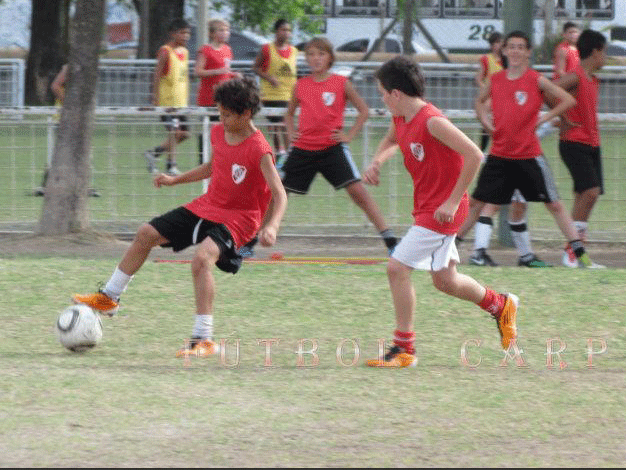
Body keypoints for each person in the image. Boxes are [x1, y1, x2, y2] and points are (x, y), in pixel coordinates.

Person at [73, 78, 288, 357]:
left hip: (241, 219)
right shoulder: (217, 133)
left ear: (246, 114)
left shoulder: (260, 149)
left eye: (226, 114)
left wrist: (271, 226)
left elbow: (279, 193)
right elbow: (212, 166)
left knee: (202, 259)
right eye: (219, 113)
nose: (220, 119)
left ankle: (203, 339)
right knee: (146, 233)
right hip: (208, 205)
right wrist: (175, 180)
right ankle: (109, 297)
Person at [361, 56, 518, 368]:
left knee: (396, 268)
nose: (380, 99)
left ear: (396, 94)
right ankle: (500, 305)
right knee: (445, 280)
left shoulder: (432, 121)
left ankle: (404, 349)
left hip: (443, 210)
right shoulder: (401, 118)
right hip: (428, 207)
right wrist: (378, 160)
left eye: (381, 93)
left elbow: (474, 154)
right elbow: (392, 139)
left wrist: (451, 200)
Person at [469, 30, 599, 268]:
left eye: (521, 47)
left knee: (550, 204)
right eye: (511, 46)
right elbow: (481, 102)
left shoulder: (535, 79)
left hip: (527, 155)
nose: (515, 51)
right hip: (500, 153)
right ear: (504, 50)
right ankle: (469, 252)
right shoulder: (496, 80)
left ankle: (576, 256)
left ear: (528, 52)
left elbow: (568, 101)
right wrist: (486, 123)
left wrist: (545, 118)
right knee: (483, 204)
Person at [281, 37, 397, 255]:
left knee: (358, 191)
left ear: (330, 57)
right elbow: (288, 114)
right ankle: (252, 241)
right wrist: (291, 133)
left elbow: (364, 110)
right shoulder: (301, 85)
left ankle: (389, 239)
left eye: (321, 54)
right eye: (311, 54)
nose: (316, 59)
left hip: (332, 148)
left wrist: (349, 135)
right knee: (279, 192)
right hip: (303, 148)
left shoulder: (341, 83)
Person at [553, 29, 608, 268]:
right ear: (595, 52)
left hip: (591, 143)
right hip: (573, 142)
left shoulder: (591, 79)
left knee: (586, 197)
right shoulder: (575, 76)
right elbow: (545, 88)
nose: (605, 58)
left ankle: (577, 253)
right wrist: (562, 116)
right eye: (604, 53)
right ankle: (572, 252)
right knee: (590, 192)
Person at [34, 63, 100, 197]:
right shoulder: (69, 67)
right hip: (63, 118)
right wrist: (71, 104)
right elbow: (55, 86)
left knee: (83, 153)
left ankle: (83, 187)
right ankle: (46, 185)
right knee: (59, 153)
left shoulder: (88, 67)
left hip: (80, 118)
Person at [144, 18, 191, 176]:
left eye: (188, 33)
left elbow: (183, 76)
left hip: (181, 102)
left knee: (184, 134)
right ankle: (171, 165)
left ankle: (153, 154)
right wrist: (155, 97)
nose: (186, 36)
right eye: (182, 33)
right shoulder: (165, 51)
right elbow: (156, 74)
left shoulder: (184, 52)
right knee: (175, 132)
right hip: (167, 102)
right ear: (173, 33)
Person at [194, 19, 241, 164]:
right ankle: (204, 159)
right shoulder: (206, 50)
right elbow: (198, 71)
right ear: (212, 33)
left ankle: (221, 157)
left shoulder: (227, 49)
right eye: (221, 30)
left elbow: (225, 72)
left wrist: (234, 75)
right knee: (208, 128)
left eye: (226, 30)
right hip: (208, 97)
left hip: (224, 98)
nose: (225, 33)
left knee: (224, 127)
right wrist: (217, 71)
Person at [253, 19, 297, 167]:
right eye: (283, 30)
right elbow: (256, 68)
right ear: (276, 31)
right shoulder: (267, 49)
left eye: (288, 30)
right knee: (276, 125)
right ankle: (281, 152)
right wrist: (269, 77)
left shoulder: (294, 51)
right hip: (271, 94)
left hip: (289, 94)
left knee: (285, 124)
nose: (286, 33)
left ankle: (288, 153)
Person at [474, 31, 504, 153]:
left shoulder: (507, 60)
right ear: (492, 45)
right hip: (491, 96)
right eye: (496, 43)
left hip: (504, 95)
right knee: (486, 118)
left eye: (501, 42)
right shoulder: (487, 59)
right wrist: (485, 89)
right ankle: (482, 149)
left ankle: (499, 146)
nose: (500, 45)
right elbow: (478, 78)